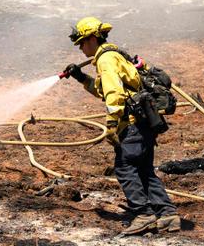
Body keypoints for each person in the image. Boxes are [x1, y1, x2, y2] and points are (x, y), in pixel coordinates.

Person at [62, 17, 180, 235]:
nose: (80, 47)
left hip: (132, 124)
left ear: (93, 38)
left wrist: (112, 123)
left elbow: (114, 93)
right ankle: (168, 215)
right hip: (144, 123)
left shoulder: (106, 60)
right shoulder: (114, 57)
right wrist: (80, 77)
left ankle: (143, 215)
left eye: (82, 42)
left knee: (125, 168)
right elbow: (104, 91)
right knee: (144, 170)